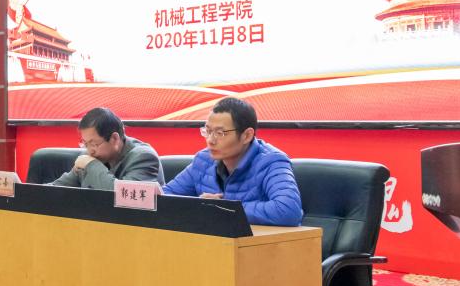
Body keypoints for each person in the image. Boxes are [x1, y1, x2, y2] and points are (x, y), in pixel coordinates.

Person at [162, 97, 303, 226]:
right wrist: (199, 206)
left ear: (247, 135)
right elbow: (164, 198)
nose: (210, 140)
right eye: (208, 131)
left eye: (220, 133)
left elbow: (288, 211)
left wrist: (223, 208)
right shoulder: (204, 160)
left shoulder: (271, 161)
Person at [50, 107, 164, 190]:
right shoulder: (91, 154)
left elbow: (124, 198)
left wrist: (92, 165)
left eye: (94, 144)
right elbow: (56, 188)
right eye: (85, 143)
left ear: (114, 138)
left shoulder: (144, 157)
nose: (90, 150)